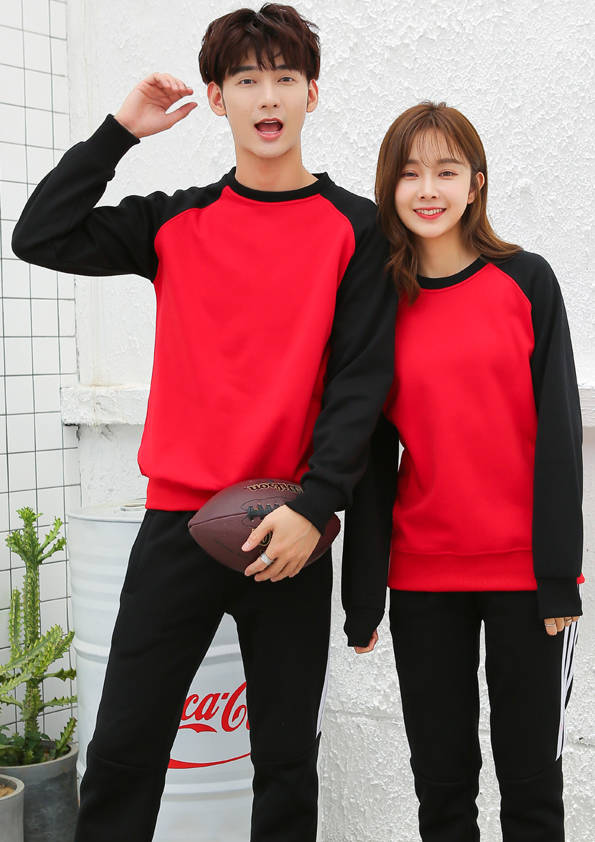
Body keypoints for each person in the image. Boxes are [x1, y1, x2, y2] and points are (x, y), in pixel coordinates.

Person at [12, 5, 397, 841]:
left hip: (289, 529)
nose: (268, 97)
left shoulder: (355, 227)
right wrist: (120, 131)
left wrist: (316, 506)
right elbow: (39, 235)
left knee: (286, 763)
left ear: (312, 93)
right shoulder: (173, 221)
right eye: (247, 79)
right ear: (217, 98)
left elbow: (361, 384)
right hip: (177, 525)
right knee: (123, 752)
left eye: (285, 77)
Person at [341, 101, 583, 841]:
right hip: (423, 581)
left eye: (446, 171)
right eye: (409, 173)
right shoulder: (379, 305)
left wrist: (557, 575)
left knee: (531, 787)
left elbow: (560, 435)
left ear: (475, 183)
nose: (427, 189)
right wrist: (363, 595)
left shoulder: (526, 281)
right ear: (388, 187)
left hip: (525, 582)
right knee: (442, 790)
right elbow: (371, 458)